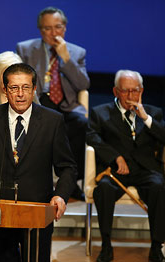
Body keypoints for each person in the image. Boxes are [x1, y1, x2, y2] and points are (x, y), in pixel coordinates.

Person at [0, 63, 77, 262]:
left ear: (34, 89)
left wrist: (60, 195)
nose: (20, 94)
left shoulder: (52, 121)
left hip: (37, 211)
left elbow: (67, 167)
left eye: (26, 87)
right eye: (14, 88)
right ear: (5, 90)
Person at [87, 70, 165, 262]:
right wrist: (115, 157)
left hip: (145, 170)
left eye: (135, 91)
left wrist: (145, 118)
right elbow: (91, 136)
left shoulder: (153, 113)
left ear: (142, 91)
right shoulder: (101, 113)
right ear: (115, 91)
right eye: (125, 91)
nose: (131, 96)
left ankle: (157, 246)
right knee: (103, 189)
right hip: (116, 171)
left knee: (159, 186)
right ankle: (106, 245)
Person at [16, 6, 89, 200]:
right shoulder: (25, 49)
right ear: (40, 30)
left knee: (81, 124)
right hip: (40, 101)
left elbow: (83, 84)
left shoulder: (77, 52)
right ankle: (37, 184)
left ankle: (71, 184)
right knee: (41, 121)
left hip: (67, 105)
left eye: (57, 27)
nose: (53, 33)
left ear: (64, 28)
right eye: (47, 28)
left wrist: (66, 58)